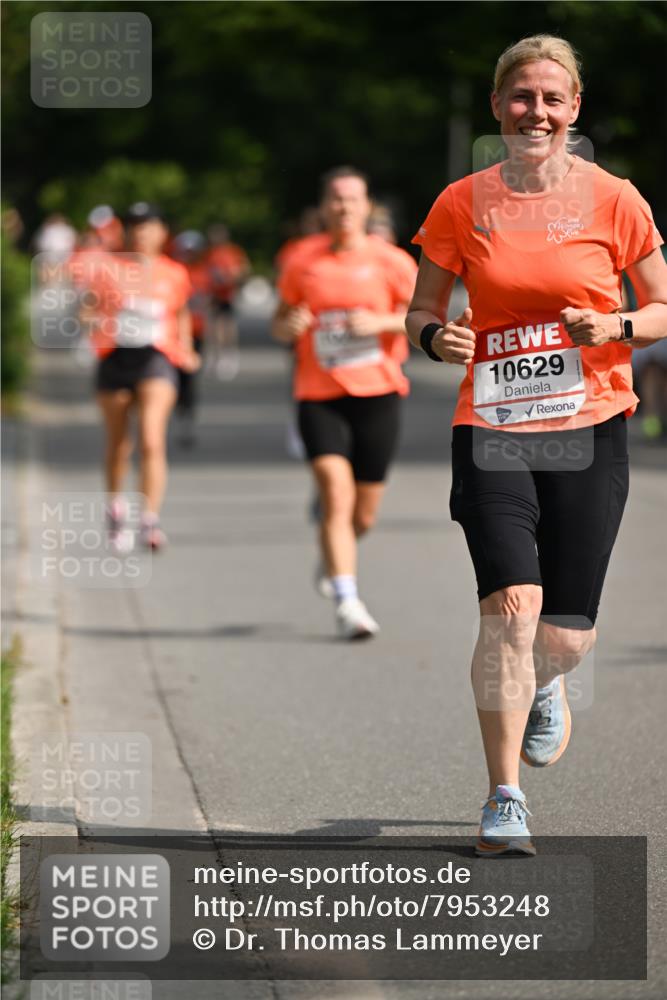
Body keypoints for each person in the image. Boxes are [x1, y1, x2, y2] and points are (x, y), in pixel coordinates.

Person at [406, 35, 667, 855]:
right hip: (491, 426)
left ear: (574, 110)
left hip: (589, 420)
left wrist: (618, 323)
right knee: (509, 610)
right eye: (521, 97)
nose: (536, 112)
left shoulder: (613, 198)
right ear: (496, 106)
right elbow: (421, 307)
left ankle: (547, 683)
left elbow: (664, 306)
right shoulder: (461, 201)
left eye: (552, 99)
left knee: (561, 634)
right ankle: (503, 798)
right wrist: (433, 340)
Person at [272, 166, 417, 639]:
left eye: (352, 200)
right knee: (336, 492)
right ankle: (348, 600)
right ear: (322, 207)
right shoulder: (300, 258)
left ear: (367, 206)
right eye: (335, 199)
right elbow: (283, 317)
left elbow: (422, 319)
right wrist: (286, 328)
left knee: (363, 513)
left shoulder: (391, 260)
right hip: (318, 393)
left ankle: (334, 560)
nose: (343, 208)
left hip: (378, 391)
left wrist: (379, 325)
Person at [92, 202, 199, 549]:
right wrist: (90, 322)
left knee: (152, 439)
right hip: (116, 356)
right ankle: (115, 509)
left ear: (162, 232)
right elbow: (88, 307)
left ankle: (149, 520)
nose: (141, 232)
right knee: (119, 444)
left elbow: (180, 312)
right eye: (135, 226)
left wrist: (186, 347)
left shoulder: (174, 273)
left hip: (157, 358)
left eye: (149, 225)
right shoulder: (109, 268)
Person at [170, 229, 212, 446]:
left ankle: (187, 421)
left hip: (196, 334)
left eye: (192, 251)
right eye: (185, 250)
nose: (188, 254)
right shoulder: (174, 272)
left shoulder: (205, 273)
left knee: (189, 382)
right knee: (170, 379)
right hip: (171, 336)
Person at [206, 223, 250, 380]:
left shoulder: (233, 251)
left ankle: (229, 355)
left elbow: (243, 269)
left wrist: (231, 278)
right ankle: (217, 356)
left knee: (228, 326)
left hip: (229, 294)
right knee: (215, 327)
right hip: (214, 294)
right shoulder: (211, 253)